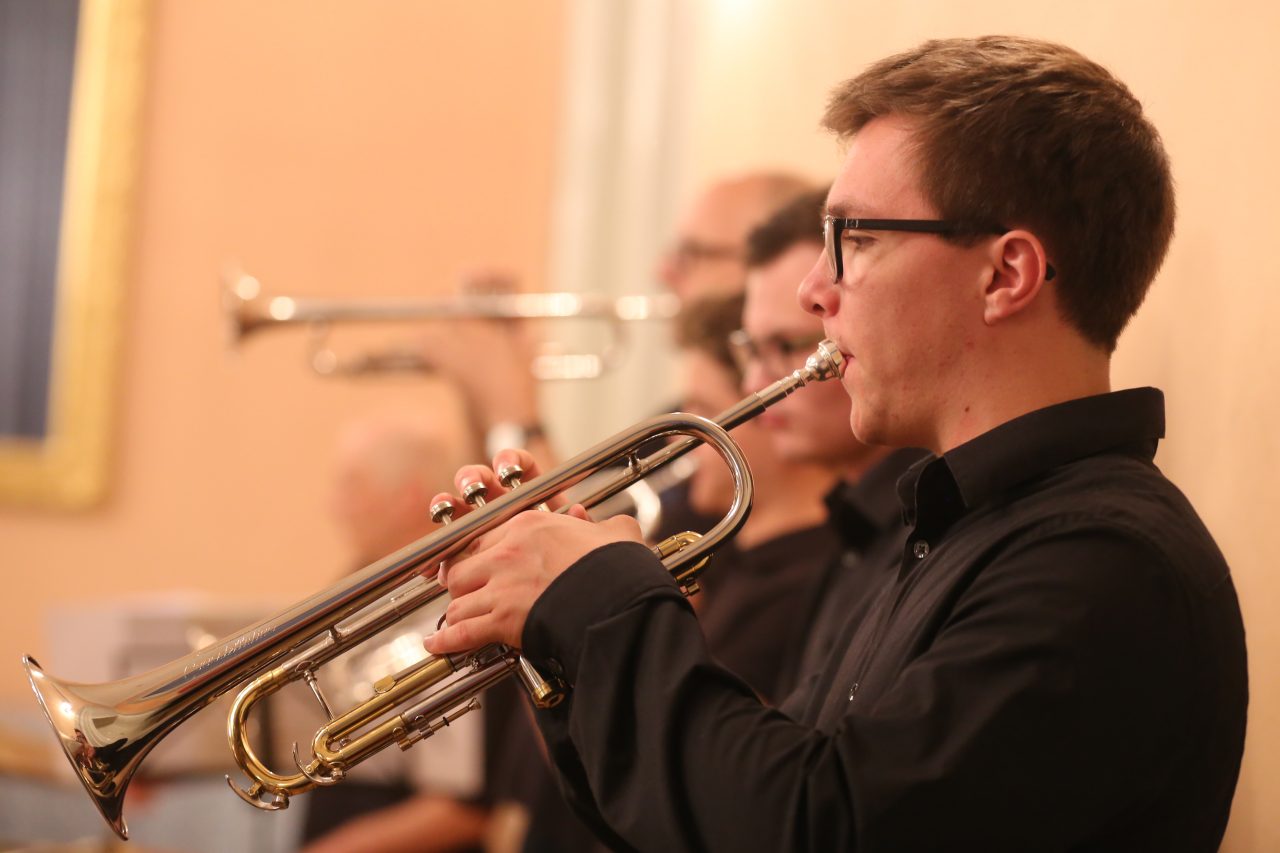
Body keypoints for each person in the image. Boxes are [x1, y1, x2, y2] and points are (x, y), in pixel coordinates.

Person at [424, 35, 1249, 852]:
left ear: (1006, 275)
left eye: (854, 240)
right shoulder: (955, 530)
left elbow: (817, 828)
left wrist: (602, 603)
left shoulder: (1101, 561)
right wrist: (556, 622)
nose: (815, 291)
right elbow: (723, 812)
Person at [733, 188, 927, 681]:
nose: (755, 383)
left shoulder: (918, 538)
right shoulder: (851, 532)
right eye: (751, 349)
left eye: (784, 345)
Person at [301, 412, 499, 853]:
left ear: (407, 498)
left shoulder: (454, 610)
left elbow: (462, 807)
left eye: (353, 485)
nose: (335, 507)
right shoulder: (359, 596)